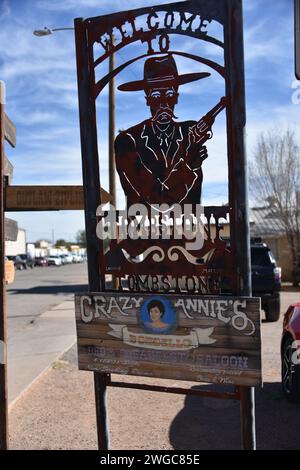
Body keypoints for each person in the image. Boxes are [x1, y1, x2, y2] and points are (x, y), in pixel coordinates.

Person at [114, 54, 211, 209]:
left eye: (170, 95)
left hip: (189, 229)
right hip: (145, 230)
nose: (164, 103)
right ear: (147, 99)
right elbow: (157, 200)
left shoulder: (190, 132)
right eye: (157, 96)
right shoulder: (127, 141)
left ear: (177, 98)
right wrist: (189, 167)